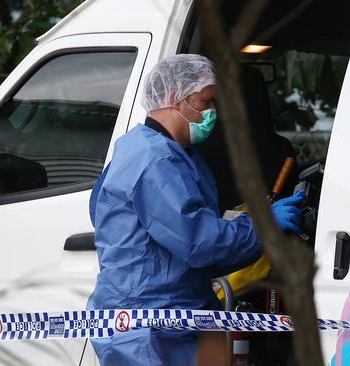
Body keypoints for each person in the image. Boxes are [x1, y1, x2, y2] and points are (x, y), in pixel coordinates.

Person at [87, 54, 304, 366]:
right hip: (150, 326)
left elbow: (186, 228)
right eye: (206, 102)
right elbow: (200, 241)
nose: (213, 112)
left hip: (176, 314)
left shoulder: (158, 150)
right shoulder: (155, 160)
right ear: (175, 98)